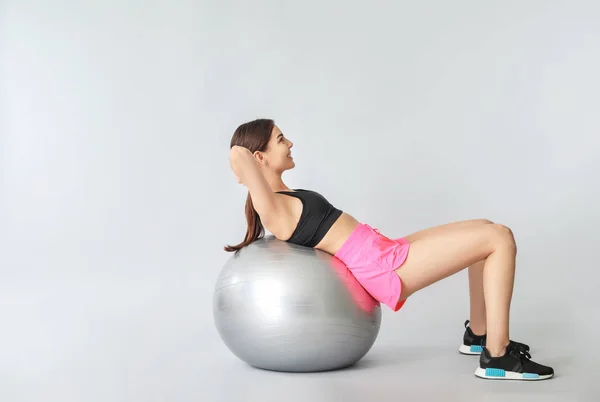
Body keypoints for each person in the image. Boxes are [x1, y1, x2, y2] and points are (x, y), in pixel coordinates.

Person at [224, 118, 554, 381]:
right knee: (499, 239)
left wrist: (255, 165)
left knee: (486, 226)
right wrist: (247, 167)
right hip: (383, 268)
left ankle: (479, 336)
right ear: (259, 157)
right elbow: (238, 154)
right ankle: (497, 356)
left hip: (384, 249)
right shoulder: (273, 209)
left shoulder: (285, 195)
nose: (290, 142)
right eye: (281, 139)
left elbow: (246, 159)